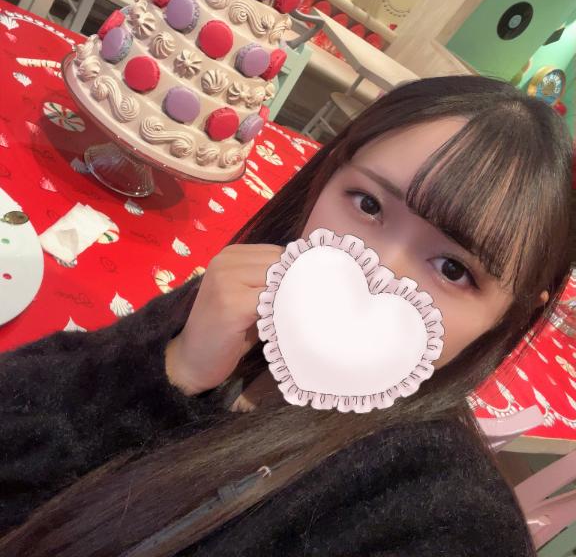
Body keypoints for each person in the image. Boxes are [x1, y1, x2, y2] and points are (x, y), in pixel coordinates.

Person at [0, 75, 573, 557]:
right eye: (368, 204)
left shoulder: (447, 524)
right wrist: (169, 372)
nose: (373, 272)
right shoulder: (244, 300)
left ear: (511, 314)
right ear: (325, 179)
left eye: (453, 269)